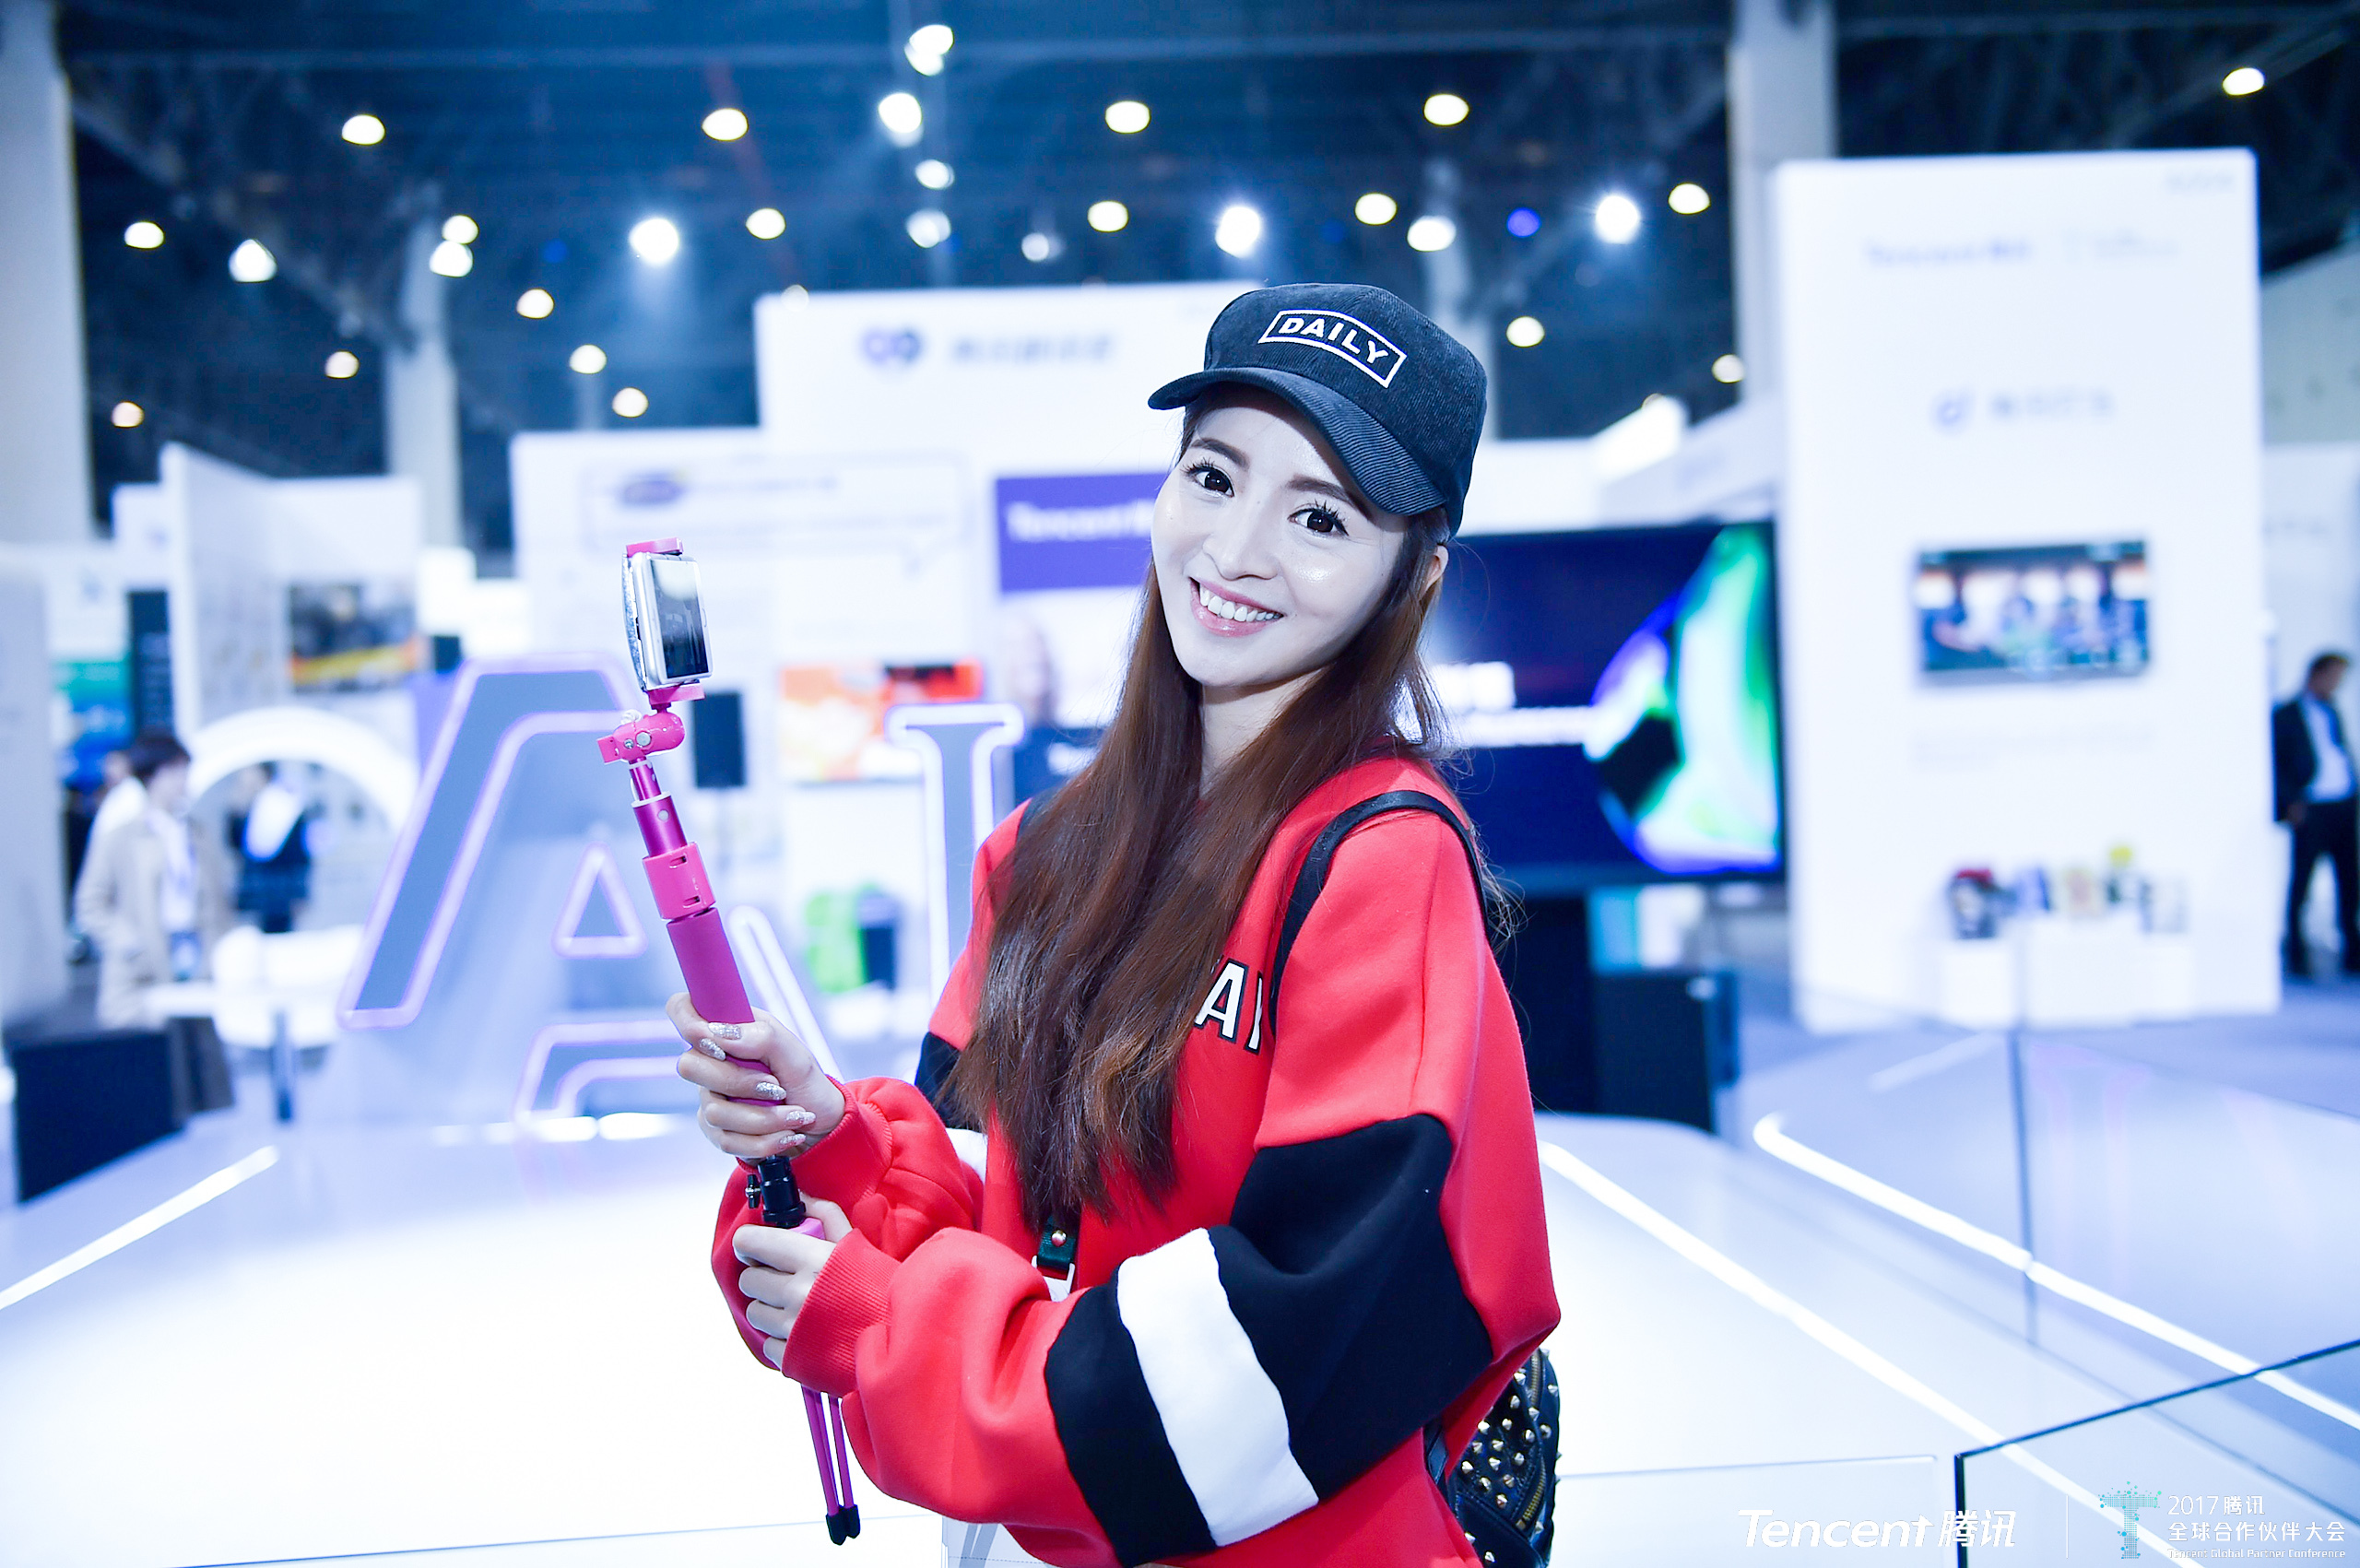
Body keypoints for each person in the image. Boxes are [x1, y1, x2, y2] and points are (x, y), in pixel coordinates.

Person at [671, 284, 1560, 1567]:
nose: (1237, 549)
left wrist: (888, 1327)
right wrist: (834, 1141)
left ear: (1412, 577)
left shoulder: (1379, 862)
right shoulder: (1039, 856)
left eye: (1319, 516)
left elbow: (1298, 1340)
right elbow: (1001, 1211)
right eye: (1214, 476)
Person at [75, 729, 229, 1028]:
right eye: (174, 770)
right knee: (154, 1042)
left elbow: (217, 900)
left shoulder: (197, 834)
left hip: (197, 959)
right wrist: (129, 942)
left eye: (184, 769)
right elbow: (90, 903)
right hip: (142, 968)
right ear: (151, 776)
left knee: (198, 1041)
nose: (183, 779)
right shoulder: (121, 837)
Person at [2274, 651, 2358, 977]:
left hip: (2343, 804)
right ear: (2316, 674)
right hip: (2311, 808)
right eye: (2333, 676)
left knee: (2349, 880)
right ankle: (2297, 951)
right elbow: (2277, 765)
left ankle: (2352, 949)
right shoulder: (2285, 715)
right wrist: (2290, 803)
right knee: (2302, 883)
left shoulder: (2332, 711)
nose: (2336, 684)